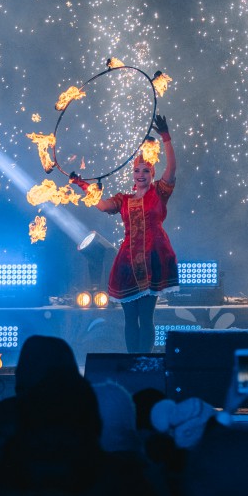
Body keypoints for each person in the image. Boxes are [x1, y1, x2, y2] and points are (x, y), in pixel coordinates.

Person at [81, 114, 178, 352]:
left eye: (146, 170)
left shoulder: (159, 192)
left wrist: (166, 137)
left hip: (153, 259)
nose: (141, 174)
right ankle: (133, 360)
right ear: (132, 174)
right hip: (128, 263)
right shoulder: (123, 199)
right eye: (137, 170)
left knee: (146, 318)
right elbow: (102, 205)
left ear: (152, 174)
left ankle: (145, 360)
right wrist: (83, 185)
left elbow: (172, 168)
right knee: (130, 319)